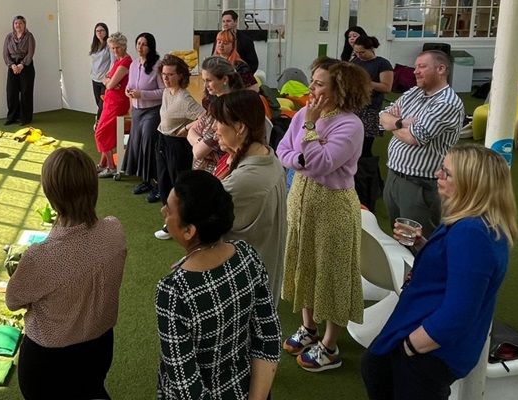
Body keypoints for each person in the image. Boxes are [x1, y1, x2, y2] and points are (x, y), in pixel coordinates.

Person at [362, 144, 518, 400]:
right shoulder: (480, 224)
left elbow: (458, 313)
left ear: (470, 184)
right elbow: (458, 272)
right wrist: (422, 245)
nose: (437, 174)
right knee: (375, 367)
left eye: (446, 172)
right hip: (426, 339)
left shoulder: (472, 233)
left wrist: (412, 346)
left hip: (430, 351)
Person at [6, 147, 126, 400]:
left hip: (49, 360)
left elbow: (13, 301)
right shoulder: (115, 230)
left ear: (50, 194)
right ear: (93, 186)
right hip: (100, 345)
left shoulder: (40, 257)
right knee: (92, 390)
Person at [276, 57, 371, 372]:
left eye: (318, 83)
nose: (311, 88)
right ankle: (309, 328)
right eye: (312, 81)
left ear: (338, 89)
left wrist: (310, 129)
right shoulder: (304, 112)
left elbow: (321, 163)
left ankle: (329, 346)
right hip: (301, 201)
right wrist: (303, 151)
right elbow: (282, 151)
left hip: (334, 207)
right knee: (303, 262)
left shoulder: (350, 124)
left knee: (332, 272)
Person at [156, 169, 280, 399]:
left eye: (169, 210)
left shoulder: (174, 291)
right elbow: (269, 336)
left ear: (189, 230)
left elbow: (187, 387)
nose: (163, 211)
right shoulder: (247, 255)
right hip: (248, 389)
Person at [209, 90, 287, 302]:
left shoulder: (245, 179)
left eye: (218, 122)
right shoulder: (266, 154)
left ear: (240, 127)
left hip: (242, 288)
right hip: (257, 280)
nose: (214, 129)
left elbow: (194, 220)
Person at [379, 50, 465, 237]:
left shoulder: (447, 102)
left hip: (420, 185)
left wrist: (392, 124)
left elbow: (415, 137)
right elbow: (382, 116)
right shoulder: (415, 92)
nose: (415, 71)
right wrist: (400, 123)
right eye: (416, 66)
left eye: (422, 66)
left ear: (441, 69)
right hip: (395, 177)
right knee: (398, 238)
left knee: (418, 242)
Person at [153, 54, 203, 240]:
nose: (166, 78)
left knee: (178, 185)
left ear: (180, 75)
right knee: (163, 182)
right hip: (162, 140)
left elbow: (205, 117)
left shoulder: (184, 98)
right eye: (164, 74)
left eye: (170, 74)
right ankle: (170, 222)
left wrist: (186, 128)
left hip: (177, 145)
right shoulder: (167, 92)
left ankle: (183, 223)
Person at [351, 35, 393, 211]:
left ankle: (372, 184)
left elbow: (386, 87)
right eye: (356, 52)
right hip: (355, 108)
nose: (359, 55)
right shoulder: (356, 62)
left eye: (362, 52)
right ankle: (356, 181)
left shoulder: (382, 64)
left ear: (371, 49)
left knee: (366, 150)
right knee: (354, 147)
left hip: (371, 110)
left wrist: (366, 83)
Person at [122, 32, 165, 203]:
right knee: (137, 142)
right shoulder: (133, 64)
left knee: (149, 141)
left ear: (151, 46)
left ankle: (157, 183)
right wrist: (128, 92)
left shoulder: (158, 65)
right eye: (138, 43)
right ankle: (145, 181)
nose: (140, 47)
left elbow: (164, 91)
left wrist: (142, 94)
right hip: (137, 110)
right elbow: (130, 85)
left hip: (153, 110)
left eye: (144, 44)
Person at [187, 56, 244, 176]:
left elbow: (198, 152)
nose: (205, 85)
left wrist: (197, 140)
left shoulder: (227, 110)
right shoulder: (214, 104)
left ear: (224, 79)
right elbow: (192, 131)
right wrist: (199, 140)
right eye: (204, 81)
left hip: (216, 172)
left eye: (209, 80)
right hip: (203, 169)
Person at [95, 32, 132, 178]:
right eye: (112, 48)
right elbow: (106, 80)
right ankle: (103, 164)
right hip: (109, 102)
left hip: (117, 104)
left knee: (101, 133)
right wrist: (108, 81)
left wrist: (109, 82)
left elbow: (110, 83)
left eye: (117, 47)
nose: (115, 51)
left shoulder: (125, 62)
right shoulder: (118, 61)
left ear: (124, 46)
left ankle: (110, 166)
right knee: (105, 133)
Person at [3, 15, 36, 126]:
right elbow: (5, 54)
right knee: (11, 92)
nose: (18, 25)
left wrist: (22, 65)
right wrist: (12, 65)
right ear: (13, 25)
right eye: (16, 23)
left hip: (26, 66)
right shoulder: (8, 37)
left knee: (26, 92)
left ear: (24, 24)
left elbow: (30, 53)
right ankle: (12, 117)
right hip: (12, 66)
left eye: (20, 23)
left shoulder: (29, 36)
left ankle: (25, 118)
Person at [90, 22, 114, 125]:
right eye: (97, 31)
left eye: (102, 30)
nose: (99, 33)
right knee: (98, 103)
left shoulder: (109, 45)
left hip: (105, 80)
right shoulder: (95, 45)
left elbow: (113, 62)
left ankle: (99, 124)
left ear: (106, 31)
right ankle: (102, 122)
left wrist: (109, 76)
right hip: (95, 78)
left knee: (102, 104)